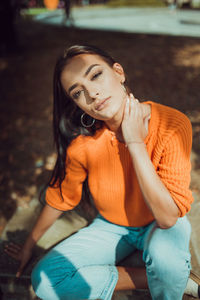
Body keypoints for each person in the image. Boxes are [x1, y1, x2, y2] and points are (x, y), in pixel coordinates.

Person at [5, 45, 200, 300]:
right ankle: (160, 279)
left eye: (95, 75)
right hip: (112, 226)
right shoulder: (84, 144)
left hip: (159, 223)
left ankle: (168, 275)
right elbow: (61, 197)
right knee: (46, 279)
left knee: (166, 260)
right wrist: (29, 246)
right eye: (77, 92)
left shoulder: (172, 124)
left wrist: (135, 143)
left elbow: (167, 218)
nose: (93, 94)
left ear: (118, 72)